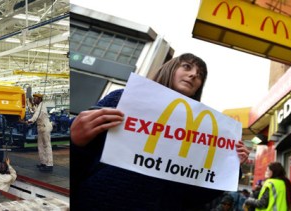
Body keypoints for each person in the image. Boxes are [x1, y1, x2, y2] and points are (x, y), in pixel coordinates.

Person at [70, 53, 250, 210]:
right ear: (170, 69)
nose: (194, 74)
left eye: (200, 74)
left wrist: (229, 166)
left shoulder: (204, 131)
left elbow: (193, 198)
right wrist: (74, 142)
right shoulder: (122, 99)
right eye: (187, 66)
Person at [27, 93, 54, 172]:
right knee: (40, 146)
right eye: (34, 98)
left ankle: (49, 165)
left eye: (35, 98)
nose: (34, 99)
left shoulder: (42, 106)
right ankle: (43, 163)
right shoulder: (38, 106)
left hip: (45, 127)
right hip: (40, 128)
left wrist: (29, 121)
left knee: (47, 146)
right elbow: (34, 111)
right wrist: (30, 104)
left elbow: (36, 115)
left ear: (39, 99)